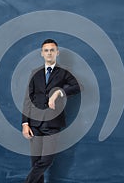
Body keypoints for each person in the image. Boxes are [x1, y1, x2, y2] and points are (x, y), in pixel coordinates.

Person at [22, 39, 80, 183]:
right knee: (35, 163)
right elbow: (28, 99)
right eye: (46, 50)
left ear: (57, 52)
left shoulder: (63, 72)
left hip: (53, 124)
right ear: (42, 53)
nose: (49, 53)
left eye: (52, 50)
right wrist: (25, 123)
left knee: (46, 160)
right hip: (34, 124)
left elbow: (78, 86)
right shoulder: (35, 73)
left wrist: (59, 92)